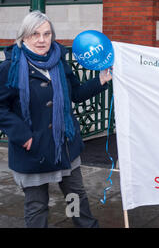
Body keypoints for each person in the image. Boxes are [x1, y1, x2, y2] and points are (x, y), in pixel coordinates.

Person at [0, 11, 112, 228]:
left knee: (75, 198)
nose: (42, 40)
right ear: (23, 37)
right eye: (35, 34)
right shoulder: (10, 68)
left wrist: (100, 80)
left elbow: (76, 94)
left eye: (46, 33)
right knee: (37, 205)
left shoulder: (58, 62)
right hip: (33, 148)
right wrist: (22, 135)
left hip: (65, 147)